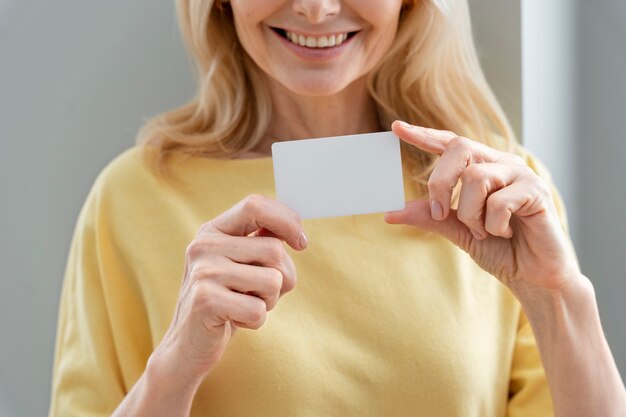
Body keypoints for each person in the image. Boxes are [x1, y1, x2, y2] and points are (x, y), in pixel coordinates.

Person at [48, 0, 626, 416]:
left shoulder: (495, 199)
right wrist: (174, 368)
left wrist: (557, 295)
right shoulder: (132, 198)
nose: (317, 9)